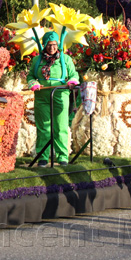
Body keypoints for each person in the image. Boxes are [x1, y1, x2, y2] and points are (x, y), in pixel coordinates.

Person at [27, 31, 79, 167]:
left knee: (60, 126)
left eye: (54, 44)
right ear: (44, 45)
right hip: (42, 97)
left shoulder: (66, 59)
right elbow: (30, 76)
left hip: (60, 95)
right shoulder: (37, 60)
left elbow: (74, 74)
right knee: (43, 127)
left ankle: (62, 157)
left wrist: (72, 81)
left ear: (58, 45)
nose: (52, 48)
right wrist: (33, 83)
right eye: (49, 45)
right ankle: (42, 157)